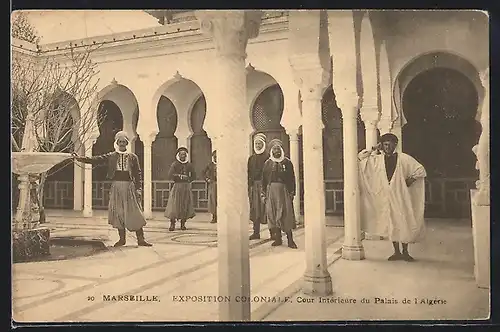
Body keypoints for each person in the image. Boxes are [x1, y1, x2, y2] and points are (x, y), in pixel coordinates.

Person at [72, 131, 152, 247]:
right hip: (116, 188)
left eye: (124, 142)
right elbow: (96, 159)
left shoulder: (133, 157)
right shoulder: (112, 156)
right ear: (116, 143)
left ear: (127, 143)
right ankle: (122, 239)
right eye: (120, 142)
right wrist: (80, 158)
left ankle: (141, 239)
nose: (122, 144)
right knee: (119, 213)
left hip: (129, 187)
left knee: (135, 212)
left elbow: (138, 174)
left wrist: (138, 189)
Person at [358, 133, 427, 262]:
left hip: (401, 196)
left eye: (390, 144)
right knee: (392, 222)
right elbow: (361, 157)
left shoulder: (404, 158)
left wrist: (410, 180)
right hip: (387, 196)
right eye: (385, 144)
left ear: (395, 145)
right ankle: (396, 252)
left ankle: (405, 252)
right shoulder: (377, 160)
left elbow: (420, 169)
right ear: (382, 146)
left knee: (403, 221)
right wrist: (374, 148)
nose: (388, 147)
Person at [261, 138, 298, 249]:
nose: (276, 151)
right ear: (271, 151)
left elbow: (292, 179)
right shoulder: (267, 163)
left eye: (278, 149)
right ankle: (278, 239)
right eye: (274, 149)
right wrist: (263, 194)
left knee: (286, 215)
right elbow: (264, 180)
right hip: (271, 192)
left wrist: (292, 193)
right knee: (272, 215)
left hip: (284, 192)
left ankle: (290, 240)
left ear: (281, 149)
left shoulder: (287, 162)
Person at [165, 147, 196, 231]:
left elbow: (194, 176)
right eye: (181, 154)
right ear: (178, 155)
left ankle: (183, 224)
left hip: (186, 187)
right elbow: (170, 175)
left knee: (185, 204)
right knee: (174, 205)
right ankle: (172, 224)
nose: (183, 156)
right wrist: (180, 176)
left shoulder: (189, 165)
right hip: (177, 186)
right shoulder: (174, 164)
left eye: (184, 155)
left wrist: (188, 179)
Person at [248, 133, 270, 240]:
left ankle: (273, 233)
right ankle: (256, 232)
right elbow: (248, 174)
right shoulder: (251, 158)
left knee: (267, 209)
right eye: (256, 143)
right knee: (255, 209)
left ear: (263, 144)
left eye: (259, 143)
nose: (257, 145)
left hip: (265, 186)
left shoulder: (267, 157)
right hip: (254, 187)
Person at [203, 150, 217, 223]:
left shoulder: (223, 164)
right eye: (214, 156)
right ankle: (214, 217)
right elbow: (203, 173)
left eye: (217, 156)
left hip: (222, 185)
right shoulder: (210, 165)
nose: (216, 158)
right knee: (213, 201)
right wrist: (207, 179)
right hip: (213, 184)